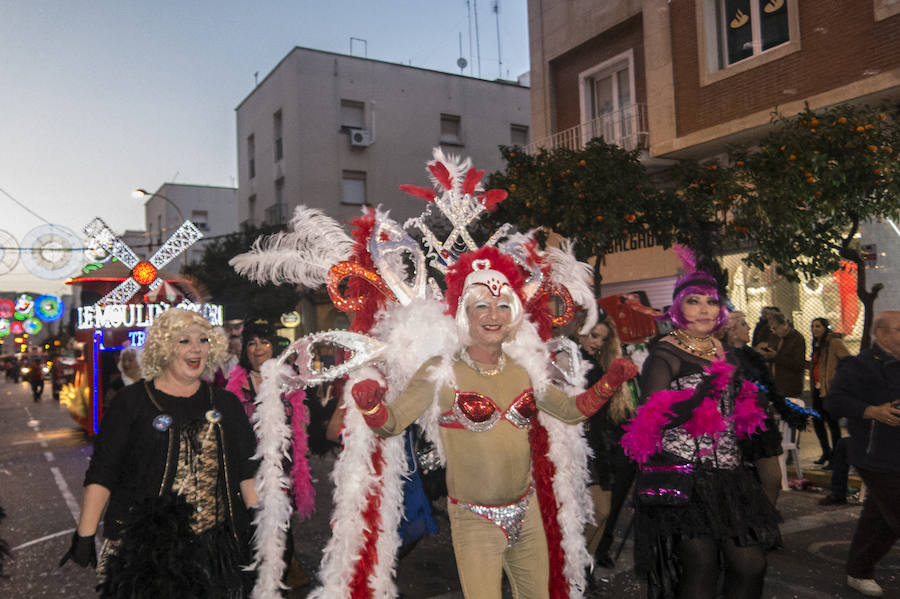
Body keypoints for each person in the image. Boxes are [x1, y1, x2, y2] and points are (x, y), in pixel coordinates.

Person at [350, 246, 638, 599]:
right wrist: (371, 407)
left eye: (503, 306)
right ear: (464, 315)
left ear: (514, 314)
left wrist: (609, 383)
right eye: (481, 306)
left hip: (526, 511)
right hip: (474, 520)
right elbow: (391, 424)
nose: (494, 315)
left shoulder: (525, 369)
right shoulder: (440, 371)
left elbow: (570, 411)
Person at [59, 308, 259, 598]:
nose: (196, 348)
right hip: (149, 555)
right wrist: (85, 532)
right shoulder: (131, 402)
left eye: (203, 340)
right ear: (164, 347)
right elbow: (104, 471)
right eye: (184, 341)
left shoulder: (226, 403)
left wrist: (260, 523)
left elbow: (247, 470)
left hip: (219, 550)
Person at [621, 252, 779, 599]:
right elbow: (651, 419)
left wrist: (752, 402)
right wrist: (697, 398)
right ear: (678, 309)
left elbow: (734, 411)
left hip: (729, 477)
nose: (705, 308)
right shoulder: (665, 353)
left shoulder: (723, 349)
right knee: (701, 568)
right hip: (684, 479)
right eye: (694, 301)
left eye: (712, 301)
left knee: (751, 565)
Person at [226, 319, 315, 590]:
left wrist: (301, 452)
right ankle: (255, 585)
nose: (257, 348)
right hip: (246, 470)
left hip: (281, 471)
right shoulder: (236, 383)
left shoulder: (288, 380)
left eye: (264, 342)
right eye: (251, 342)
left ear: (273, 346)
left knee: (282, 533)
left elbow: (300, 421)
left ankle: (278, 585)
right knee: (250, 532)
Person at [824, 310, 900, 597]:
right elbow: (835, 402)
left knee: (881, 517)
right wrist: (872, 411)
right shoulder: (860, 366)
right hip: (876, 455)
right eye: (899, 329)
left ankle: (858, 569)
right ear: (880, 333)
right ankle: (859, 570)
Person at [578, 314, 638, 570]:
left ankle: (583, 568)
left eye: (603, 338)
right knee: (596, 513)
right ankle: (575, 568)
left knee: (603, 514)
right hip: (580, 448)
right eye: (594, 335)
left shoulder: (602, 364)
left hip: (604, 446)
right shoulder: (571, 361)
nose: (598, 342)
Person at [808, 317, 850, 467]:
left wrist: (837, 380)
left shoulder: (834, 343)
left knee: (832, 424)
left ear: (825, 328)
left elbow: (848, 361)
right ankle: (826, 452)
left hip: (830, 390)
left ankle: (837, 457)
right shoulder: (817, 345)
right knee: (818, 423)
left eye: (818, 326)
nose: (815, 329)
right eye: (813, 326)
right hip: (818, 390)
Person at [758, 312, 806, 398]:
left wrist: (776, 357)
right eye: (771, 329)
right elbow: (772, 355)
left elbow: (798, 364)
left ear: (784, 325)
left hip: (790, 386)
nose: (773, 331)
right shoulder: (775, 337)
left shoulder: (797, 339)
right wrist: (766, 354)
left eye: (775, 328)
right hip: (775, 384)